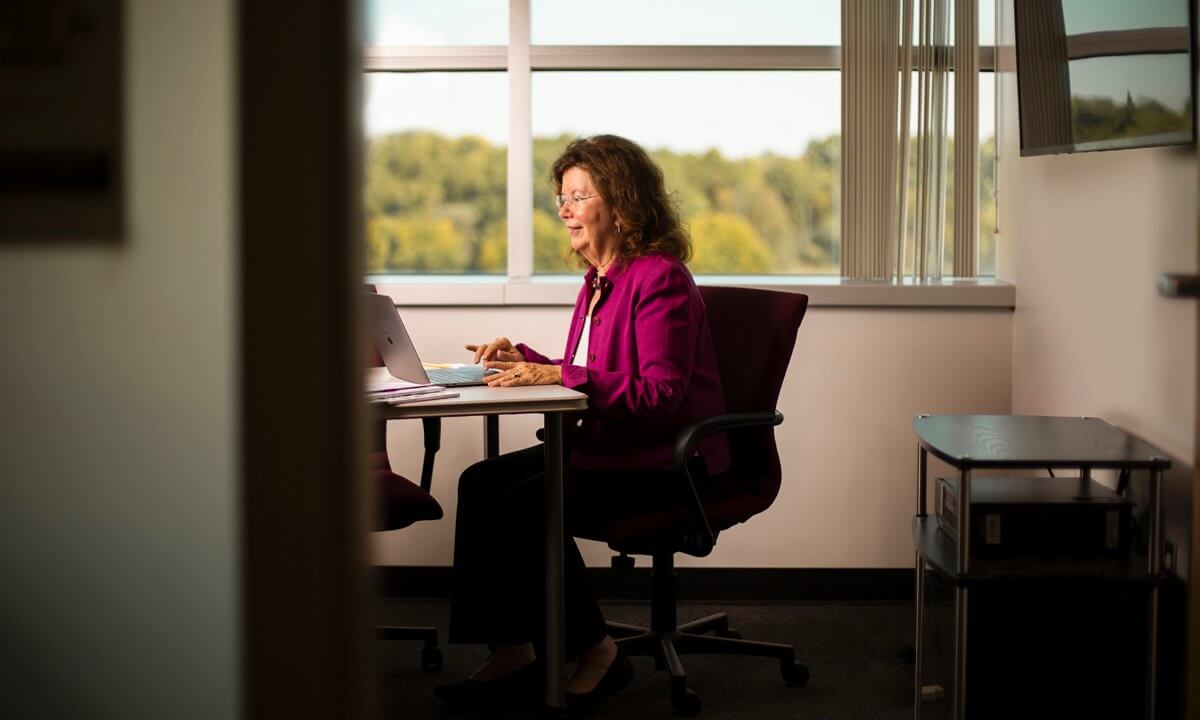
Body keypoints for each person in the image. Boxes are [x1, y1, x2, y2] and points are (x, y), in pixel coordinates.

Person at [434, 135, 730, 712]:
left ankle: (598, 650)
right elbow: (592, 371)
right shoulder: (599, 280)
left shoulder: (659, 279)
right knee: (480, 481)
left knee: (527, 503)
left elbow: (660, 395)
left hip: (660, 458)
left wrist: (556, 376)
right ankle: (513, 648)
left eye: (578, 196)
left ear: (620, 205)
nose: (564, 210)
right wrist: (523, 359)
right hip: (608, 445)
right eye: (561, 197)